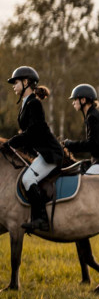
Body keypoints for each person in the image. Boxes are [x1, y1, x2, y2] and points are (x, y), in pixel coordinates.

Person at [3, 66, 64, 232]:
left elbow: (33, 132)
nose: (14, 86)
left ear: (25, 82)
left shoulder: (34, 103)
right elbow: (30, 135)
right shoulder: (26, 104)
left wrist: (12, 141)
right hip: (43, 154)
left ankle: (41, 219)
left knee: (28, 179)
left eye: (15, 82)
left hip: (51, 155)